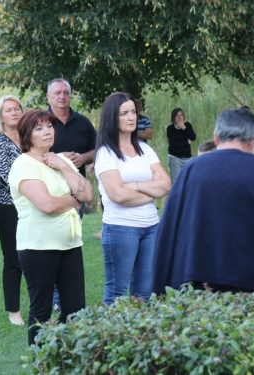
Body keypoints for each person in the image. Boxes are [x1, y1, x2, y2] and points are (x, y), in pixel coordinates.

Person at [152, 107, 254, 301]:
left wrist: (159, 292)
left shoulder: (190, 171)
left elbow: (167, 233)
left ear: (216, 138)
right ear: (253, 141)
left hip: (196, 289)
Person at [9, 109, 93, 346]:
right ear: (27, 135)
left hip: (70, 244)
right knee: (41, 311)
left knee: (75, 310)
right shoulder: (23, 165)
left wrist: (63, 166)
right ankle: (40, 364)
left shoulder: (61, 159)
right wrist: (72, 201)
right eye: (39, 128)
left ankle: (69, 360)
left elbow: (87, 193)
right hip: (37, 247)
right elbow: (45, 204)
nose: (47, 132)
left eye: (50, 126)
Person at [94, 92, 171, 306]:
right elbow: (117, 195)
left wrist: (134, 186)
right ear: (112, 118)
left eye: (133, 112)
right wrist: (150, 191)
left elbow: (166, 185)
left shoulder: (145, 150)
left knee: (144, 294)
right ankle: (108, 338)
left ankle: (138, 338)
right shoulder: (106, 153)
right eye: (124, 113)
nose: (132, 117)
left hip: (151, 227)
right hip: (121, 228)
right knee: (117, 294)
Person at [46, 78, 97, 312]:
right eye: (57, 93)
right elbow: (29, 151)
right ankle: (55, 298)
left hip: (77, 191)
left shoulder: (83, 122)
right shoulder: (42, 122)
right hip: (49, 191)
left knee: (71, 242)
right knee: (52, 245)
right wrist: (57, 159)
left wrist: (83, 158)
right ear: (48, 97)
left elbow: (99, 148)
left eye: (66, 93)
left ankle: (66, 296)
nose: (62, 97)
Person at [0, 95, 25, 326]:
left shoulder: (31, 137)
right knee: (14, 259)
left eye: (17, 108)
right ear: (0, 116)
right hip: (8, 206)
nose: (13, 112)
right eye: (8, 110)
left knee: (37, 256)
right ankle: (14, 312)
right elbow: (5, 175)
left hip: (35, 204)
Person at [166, 107, 196, 184]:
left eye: (181, 115)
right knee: (177, 180)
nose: (179, 117)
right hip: (175, 157)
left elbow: (193, 137)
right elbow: (174, 144)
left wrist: (183, 127)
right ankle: (177, 195)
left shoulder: (187, 125)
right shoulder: (170, 129)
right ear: (173, 118)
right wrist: (187, 143)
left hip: (187, 156)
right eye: (177, 116)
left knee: (190, 179)